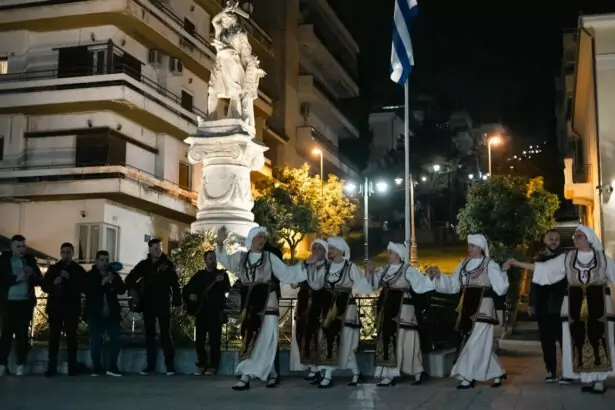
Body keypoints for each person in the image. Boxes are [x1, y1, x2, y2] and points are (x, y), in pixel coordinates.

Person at [504, 225, 615, 394]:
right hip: (576, 304)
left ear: (588, 239)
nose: (575, 239)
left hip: (598, 304)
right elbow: (544, 269)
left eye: (579, 236)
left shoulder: (603, 259)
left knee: (598, 339)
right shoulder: (568, 258)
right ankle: (589, 378)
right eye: (575, 237)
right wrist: (517, 263)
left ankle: (599, 381)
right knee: (579, 340)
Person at [215, 225, 307, 391]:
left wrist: (304, 267)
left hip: (267, 304)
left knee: (267, 339)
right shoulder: (241, 258)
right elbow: (225, 260)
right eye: (259, 237)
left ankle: (258, 375)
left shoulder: (270, 257)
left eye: (264, 237)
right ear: (251, 239)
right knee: (249, 338)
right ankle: (254, 374)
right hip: (248, 306)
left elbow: (286, 273)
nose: (262, 240)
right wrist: (220, 243)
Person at [427, 234, 509, 389]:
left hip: (483, 307)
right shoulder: (463, 264)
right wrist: (439, 276)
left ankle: (468, 376)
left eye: (472, 246)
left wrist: (503, 273)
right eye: (469, 245)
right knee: (478, 342)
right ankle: (497, 372)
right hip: (467, 308)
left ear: (480, 247)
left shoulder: (489, 264)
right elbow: (453, 285)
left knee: (475, 342)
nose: (469, 248)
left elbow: (500, 288)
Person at [367, 242, 435, 386]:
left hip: (404, 309)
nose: (388, 255)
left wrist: (429, 277)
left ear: (398, 255)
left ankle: (417, 372)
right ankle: (390, 373)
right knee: (388, 339)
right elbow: (373, 286)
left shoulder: (408, 270)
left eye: (390, 252)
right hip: (387, 309)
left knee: (408, 339)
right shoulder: (384, 270)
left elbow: (420, 285)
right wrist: (370, 272)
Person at [315, 236, 373, 389]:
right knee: (329, 339)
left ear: (340, 250)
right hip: (329, 309)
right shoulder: (325, 267)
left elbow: (361, 286)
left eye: (332, 248)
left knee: (345, 342)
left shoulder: (350, 267)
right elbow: (316, 284)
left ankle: (349, 373)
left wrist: (368, 275)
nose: (329, 251)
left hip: (346, 308)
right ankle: (335, 374)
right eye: (329, 248)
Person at [125, 238, 182, 375]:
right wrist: (133, 292)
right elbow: (129, 279)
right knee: (149, 334)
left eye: (160, 247)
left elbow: (175, 284)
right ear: (150, 249)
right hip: (148, 303)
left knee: (165, 334)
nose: (158, 250)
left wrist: (177, 303)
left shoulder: (168, 265)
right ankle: (150, 366)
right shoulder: (144, 265)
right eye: (155, 248)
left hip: (163, 302)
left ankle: (170, 366)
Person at [41, 242, 86, 376]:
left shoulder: (78, 270)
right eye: (64, 252)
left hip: (71, 308)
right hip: (55, 307)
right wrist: (53, 283)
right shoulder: (54, 268)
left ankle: (72, 367)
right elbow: (44, 286)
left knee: (71, 338)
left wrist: (70, 279)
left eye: (68, 252)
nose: (66, 255)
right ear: (60, 254)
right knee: (53, 338)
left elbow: (84, 287)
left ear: (73, 254)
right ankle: (52, 367)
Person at [182, 250, 231, 376]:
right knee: (199, 341)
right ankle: (202, 364)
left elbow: (228, 289)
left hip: (216, 312)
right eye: (210, 258)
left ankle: (213, 366)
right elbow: (187, 290)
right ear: (205, 261)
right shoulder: (199, 275)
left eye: (214, 258)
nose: (213, 261)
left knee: (215, 341)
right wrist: (191, 296)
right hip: (201, 312)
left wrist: (221, 281)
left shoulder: (222, 274)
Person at [0, 235, 42, 377]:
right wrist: (16, 279)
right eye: (18, 246)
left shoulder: (29, 259)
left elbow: (39, 279)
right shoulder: (4, 260)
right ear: (11, 247)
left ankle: (21, 363)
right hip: (8, 302)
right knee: (6, 334)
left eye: (23, 246)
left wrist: (32, 273)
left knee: (22, 335)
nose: (21, 249)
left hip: (25, 302)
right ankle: (2, 363)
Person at [527, 230, 566, 382]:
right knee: (546, 339)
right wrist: (532, 303)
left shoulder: (565, 258)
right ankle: (551, 370)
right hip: (543, 305)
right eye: (551, 239)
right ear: (544, 240)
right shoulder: (539, 258)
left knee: (564, 339)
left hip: (561, 304)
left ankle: (568, 370)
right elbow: (534, 283)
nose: (554, 241)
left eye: (557, 239)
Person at [289, 239, 328, 382]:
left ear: (325, 252)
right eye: (314, 248)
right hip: (304, 305)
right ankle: (312, 366)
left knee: (320, 334)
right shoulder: (304, 265)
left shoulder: (329, 267)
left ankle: (322, 368)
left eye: (319, 248)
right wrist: (304, 264)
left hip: (321, 304)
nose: (316, 251)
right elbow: (293, 283)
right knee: (304, 334)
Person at [84, 251, 126, 376]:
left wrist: (113, 281)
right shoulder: (90, 276)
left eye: (107, 260)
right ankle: (96, 368)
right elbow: (88, 292)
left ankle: (112, 367)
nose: (105, 263)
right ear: (96, 261)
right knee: (95, 341)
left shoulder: (113, 275)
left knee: (115, 340)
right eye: (102, 260)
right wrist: (102, 283)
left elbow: (122, 289)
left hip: (112, 314)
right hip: (95, 313)